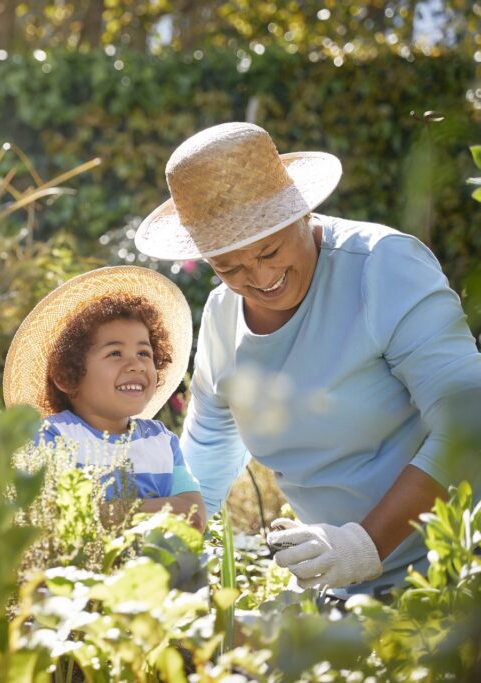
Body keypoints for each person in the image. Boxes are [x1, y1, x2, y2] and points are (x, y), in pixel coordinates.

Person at [133, 121, 481, 598]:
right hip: (344, 585)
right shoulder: (221, 315)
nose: (260, 277)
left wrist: (362, 545)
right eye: (228, 267)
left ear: (300, 210)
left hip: (457, 569)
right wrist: (168, 549)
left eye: (269, 250)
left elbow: (468, 421)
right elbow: (210, 446)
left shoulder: (381, 267)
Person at [3, 266, 206, 530]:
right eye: (115, 354)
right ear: (67, 376)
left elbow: (194, 515)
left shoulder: (162, 441)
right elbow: (60, 517)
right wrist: (164, 510)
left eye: (144, 353)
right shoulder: (53, 437)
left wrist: (109, 511)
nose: (136, 365)